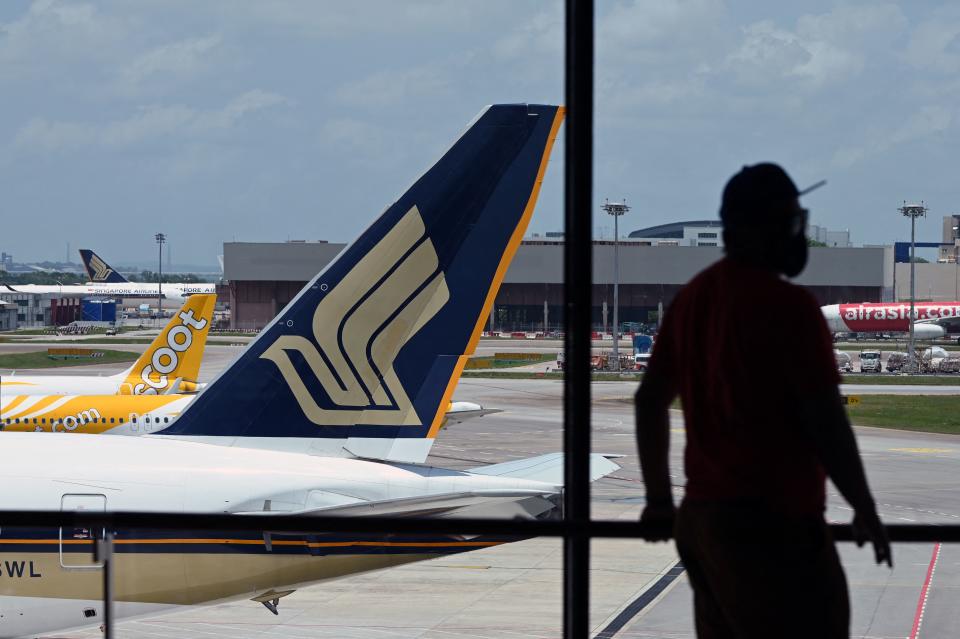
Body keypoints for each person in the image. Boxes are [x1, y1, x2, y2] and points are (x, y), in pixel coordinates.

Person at [635, 163, 891, 639]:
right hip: (773, 525)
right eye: (792, 222)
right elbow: (826, 422)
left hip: (704, 521)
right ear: (764, 227)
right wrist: (864, 506)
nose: (798, 234)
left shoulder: (693, 298)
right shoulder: (788, 307)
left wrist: (657, 501)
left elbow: (649, 401)